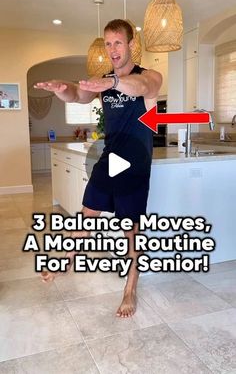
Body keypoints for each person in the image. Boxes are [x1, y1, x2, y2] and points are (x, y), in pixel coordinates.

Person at [35, 19, 162, 317]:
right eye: (108, 43)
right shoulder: (103, 81)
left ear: (131, 45)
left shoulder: (149, 76)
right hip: (110, 159)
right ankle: (66, 259)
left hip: (135, 164)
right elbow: (79, 95)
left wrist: (113, 82)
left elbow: (143, 86)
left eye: (118, 42)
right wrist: (62, 89)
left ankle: (130, 288)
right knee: (88, 213)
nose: (112, 49)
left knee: (130, 229)